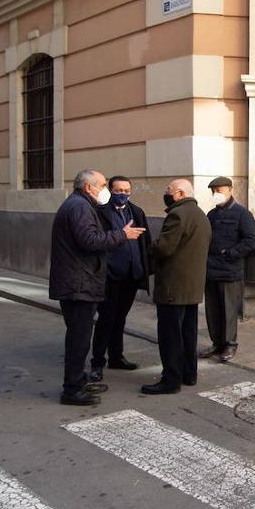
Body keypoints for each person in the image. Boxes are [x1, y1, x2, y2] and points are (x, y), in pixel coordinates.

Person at [49, 170, 146, 406]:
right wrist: (122, 235)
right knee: (79, 339)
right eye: (103, 185)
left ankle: (79, 382)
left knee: (80, 336)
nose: (105, 189)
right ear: (88, 187)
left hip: (78, 281)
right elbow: (90, 240)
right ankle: (72, 390)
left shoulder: (77, 204)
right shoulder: (79, 207)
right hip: (78, 284)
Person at [143, 179, 211, 395]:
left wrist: (149, 244)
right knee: (188, 333)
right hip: (192, 286)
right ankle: (188, 374)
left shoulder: (177, 214)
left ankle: (171, 380)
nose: (166, 193)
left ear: (180, 193)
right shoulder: (200, 214)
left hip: (173, 286)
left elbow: (164, 248)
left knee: (170, 335)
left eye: (169, 191)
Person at [87, 176, 152, 383]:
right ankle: (97, 362)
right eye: (118, 190)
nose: (123, 193)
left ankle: (116, 356)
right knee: (106, 319)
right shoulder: (100, 212)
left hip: (131, 276)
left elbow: (145, 241)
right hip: (109, 276)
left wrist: (145, 268)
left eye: (126, 190)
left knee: (120, 318)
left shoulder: (137, 212)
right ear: (111, 191)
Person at [203, 176, 255, 362]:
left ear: (230, 190)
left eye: (220, 190)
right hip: (210, 270)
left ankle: (229, 345)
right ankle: (216, 343)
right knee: (212, 310)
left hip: (230, 270)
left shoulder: (243, 214)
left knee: (228, 310)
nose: (216, 194)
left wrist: (230, 253)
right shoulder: (211, 214)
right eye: (213, 191)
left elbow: (250, 241)